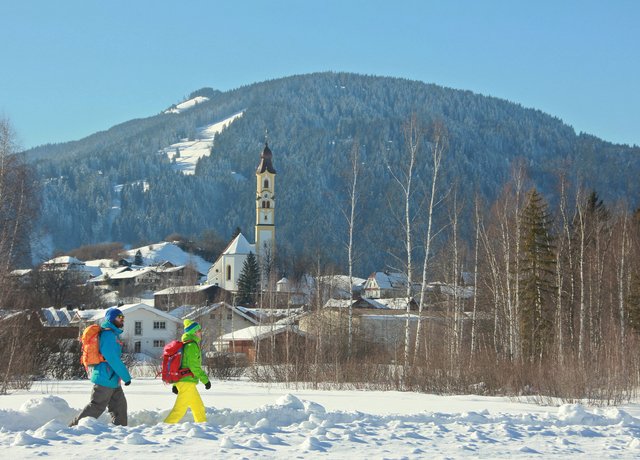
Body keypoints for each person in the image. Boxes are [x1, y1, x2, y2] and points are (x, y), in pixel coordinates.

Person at [69, 307, 132, 426]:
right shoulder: (108, 335)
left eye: (123, 317)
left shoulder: (113, 334)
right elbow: (112, 358)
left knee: (120, 407)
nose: (122, 320)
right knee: (96, 406)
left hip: (112, 378)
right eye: (119, 317)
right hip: (105, 377)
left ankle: (120, 431)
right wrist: (126, 376)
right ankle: (73, 428)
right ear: (111, 319)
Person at [164, 319, 211, 423]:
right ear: (193, 332)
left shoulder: (186, 344)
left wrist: (175, 385)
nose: (200, 333)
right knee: (179, 410)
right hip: (187, 382)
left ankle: (203, 427)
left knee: (198, 408)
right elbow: (194, 366)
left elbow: (179, 365)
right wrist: (205, 380)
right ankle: (164, 427)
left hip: (186, 381)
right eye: (198, 331)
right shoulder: (191, 346)